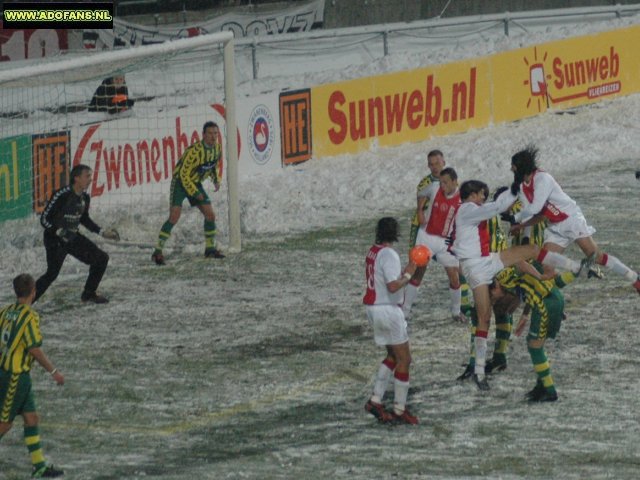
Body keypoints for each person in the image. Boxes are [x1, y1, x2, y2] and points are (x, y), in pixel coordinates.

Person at [451, 179, 591, 390]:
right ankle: (479, 372)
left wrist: (539, 275)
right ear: (473, 194)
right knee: (483, 317)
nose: (482, 199)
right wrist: (516, 188)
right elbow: (497, 206)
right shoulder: (467, 208)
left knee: (531, 250)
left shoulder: (470, 211)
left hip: (486, 260)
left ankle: (575, 266)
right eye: (481, 194)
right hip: (476, 266)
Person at [508, 145, 640, 294]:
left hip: (570, 219)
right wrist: (522, 228)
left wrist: (514, 218)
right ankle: (575, 274)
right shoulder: (523, 186)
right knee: (547, 265)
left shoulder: (543, 179)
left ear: (521, 167)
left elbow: (535, 208)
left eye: (513, 167)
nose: (511, 170)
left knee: (596, 256)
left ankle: (635, 278)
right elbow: (538, 214)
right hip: (555, 225)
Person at [0, 274, 65, 478]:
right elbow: (34, 349)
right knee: (5, 423)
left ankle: (39, 466)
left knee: (31, 418)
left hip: (16, 375)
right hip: (15, 376)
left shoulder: (5, 312)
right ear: (33, 291)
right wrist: (54, 372)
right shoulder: (30, 317)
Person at [488, 266, 577, 402]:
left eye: (493, 296)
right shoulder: (505, 283)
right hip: (549, 301)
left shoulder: (504, 277)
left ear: (495, 287)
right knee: (534, 344)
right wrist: (524, 315)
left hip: (545, 305)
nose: (494, 300)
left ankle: (550, 390)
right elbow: (530, 287)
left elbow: (523, 267)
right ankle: (541, 385)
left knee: (535, 347)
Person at [35, 164, 120, 304]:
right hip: (55, 240)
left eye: (91, 177)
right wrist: (58, 231)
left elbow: (84, 219)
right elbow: (44, 219)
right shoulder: (61, 194)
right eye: (87, 176)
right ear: (76, 178)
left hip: (72, 237)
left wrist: (102, 232)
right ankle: (24, 304)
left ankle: (88, 294)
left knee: (101, 258)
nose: (90, 180)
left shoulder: (85, 198)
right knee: (52, 274)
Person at [363, 217, 419, 424]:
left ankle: (375, 400)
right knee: (405, 359)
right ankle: (399, 409)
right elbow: (393, 286)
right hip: (387, 310)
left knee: (393, 356)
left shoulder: (373, 251)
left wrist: (403, 271)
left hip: (373, 307)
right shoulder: (389, 254)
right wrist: (410, 274)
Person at [152, 121, 224, 265]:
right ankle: (157, 252)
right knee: (174, 217)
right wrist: (194, 192)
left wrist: (216, 180)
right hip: (180, 183)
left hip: (195, 183)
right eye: (210, 133)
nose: (213, 136)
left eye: (215, 133)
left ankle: (209, 249)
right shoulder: (193, 151)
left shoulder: (217, 149)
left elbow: (212, 166)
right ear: (203, 135)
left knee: (210, 215)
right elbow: (184, 175)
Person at [404, 167, 466, 322]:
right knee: (418, 273)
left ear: (454, 182)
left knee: (454, 276)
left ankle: (456, 312)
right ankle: (404, 312)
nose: (442, 186)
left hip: (445, 242)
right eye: (441, 182)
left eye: (445, 183)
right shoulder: (434, 187)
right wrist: (420, 210)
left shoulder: (462, 199)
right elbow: (421, 193)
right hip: (427, 237)